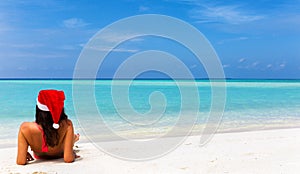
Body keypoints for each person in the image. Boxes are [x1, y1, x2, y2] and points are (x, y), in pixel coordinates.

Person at [16, 89, 79, 165]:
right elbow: (68, 159)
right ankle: (74, 139)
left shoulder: (25, 128)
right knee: (70, 138)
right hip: (58, 154)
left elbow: (20, 161)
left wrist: (24, 152)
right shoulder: (67, 125)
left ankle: (74, 139)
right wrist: (72, 153)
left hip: (39, 156)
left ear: (38, 108)